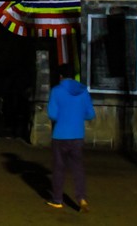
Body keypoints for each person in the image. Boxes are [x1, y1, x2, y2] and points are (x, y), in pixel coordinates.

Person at [46, 61, 95, 212]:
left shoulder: (56, 90)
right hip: (77, 135)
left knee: (59, 168)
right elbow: (91, 114)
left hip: (60, 135)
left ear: (60, 76)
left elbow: (52, 114)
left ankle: (57, 200)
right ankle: (81, 198)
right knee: (78, 168)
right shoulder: (83, 91)